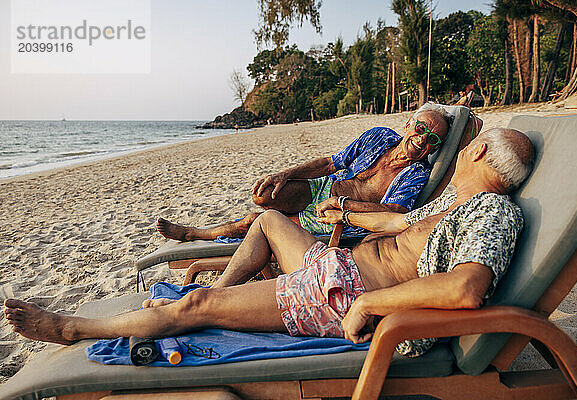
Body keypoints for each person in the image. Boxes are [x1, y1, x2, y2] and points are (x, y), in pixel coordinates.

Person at [4, 128, 535, 357]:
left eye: (470, 145)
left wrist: (369, 303)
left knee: (198, 303)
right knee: (266, 221)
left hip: (346, 294)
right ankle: (215, 303)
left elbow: (467, 288)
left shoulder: (491, 212)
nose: (463, 149)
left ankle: (73, 328)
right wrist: (347, 212)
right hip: (340, 263)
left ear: (481, 152)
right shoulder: (452, 205)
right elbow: (398, 229)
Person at [157, 103, 454, 241]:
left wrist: (343, 206)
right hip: (324, 187)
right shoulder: (378, 136)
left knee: (255, 221)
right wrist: (284, 175)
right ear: (408, 125)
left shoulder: (416, 174)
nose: (422, 139)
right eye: (420, 128)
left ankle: (194, 234)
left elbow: (393, 211)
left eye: (433, 139)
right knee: (264, 196)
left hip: (334, 213)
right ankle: (204, 231)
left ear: (435, 147)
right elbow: (329, 163)